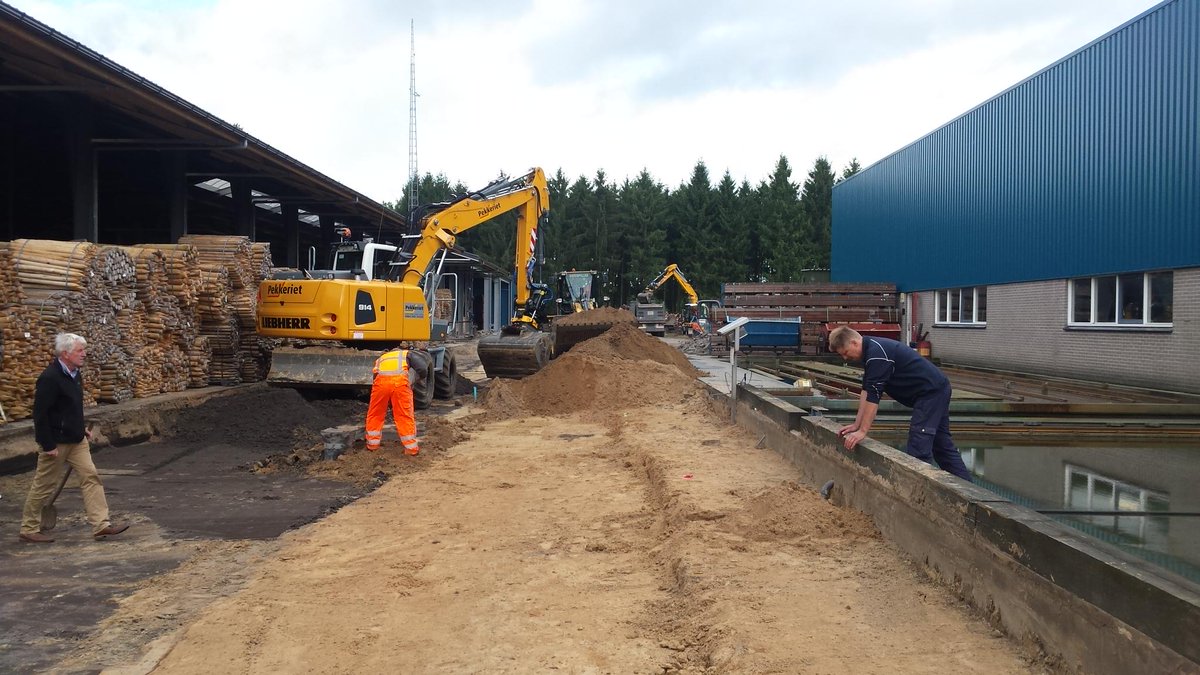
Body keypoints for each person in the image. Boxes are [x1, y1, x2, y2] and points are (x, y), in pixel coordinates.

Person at [19, 333, 129, 543]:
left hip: (77, 440)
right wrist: (47, 443)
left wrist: (80, 428)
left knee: (91, 477)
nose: (84, 354)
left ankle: (101, 525)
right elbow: (40, 415)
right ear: (65, 353)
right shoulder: (50, 378)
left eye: (83, 350)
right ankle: (29, 527)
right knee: (44, 485)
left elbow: (71, 408)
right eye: (80, 351)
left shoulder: (75, 374)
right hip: (56, 443)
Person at [828, 326, 972, 482]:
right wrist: (856, 425)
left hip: (930, 392)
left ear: (854, 343)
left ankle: (918, 491)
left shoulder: (877, 355)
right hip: (934, 389)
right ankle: (969, 490)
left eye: (846, 353)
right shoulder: (871, 352)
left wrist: (863, 431)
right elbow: (867, 391)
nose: (845, 358)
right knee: (942, 446)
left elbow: (874, 397)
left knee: (919, 445)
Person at [365, 346, 425, 455]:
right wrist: (415, 380)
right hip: (400, 385)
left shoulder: (382, 358)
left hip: (380, 386)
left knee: (375, 414)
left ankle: (372, 445)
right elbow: (422, 369)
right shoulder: (407, 354)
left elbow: (375, 377)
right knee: (403, 415)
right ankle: (411, 449)